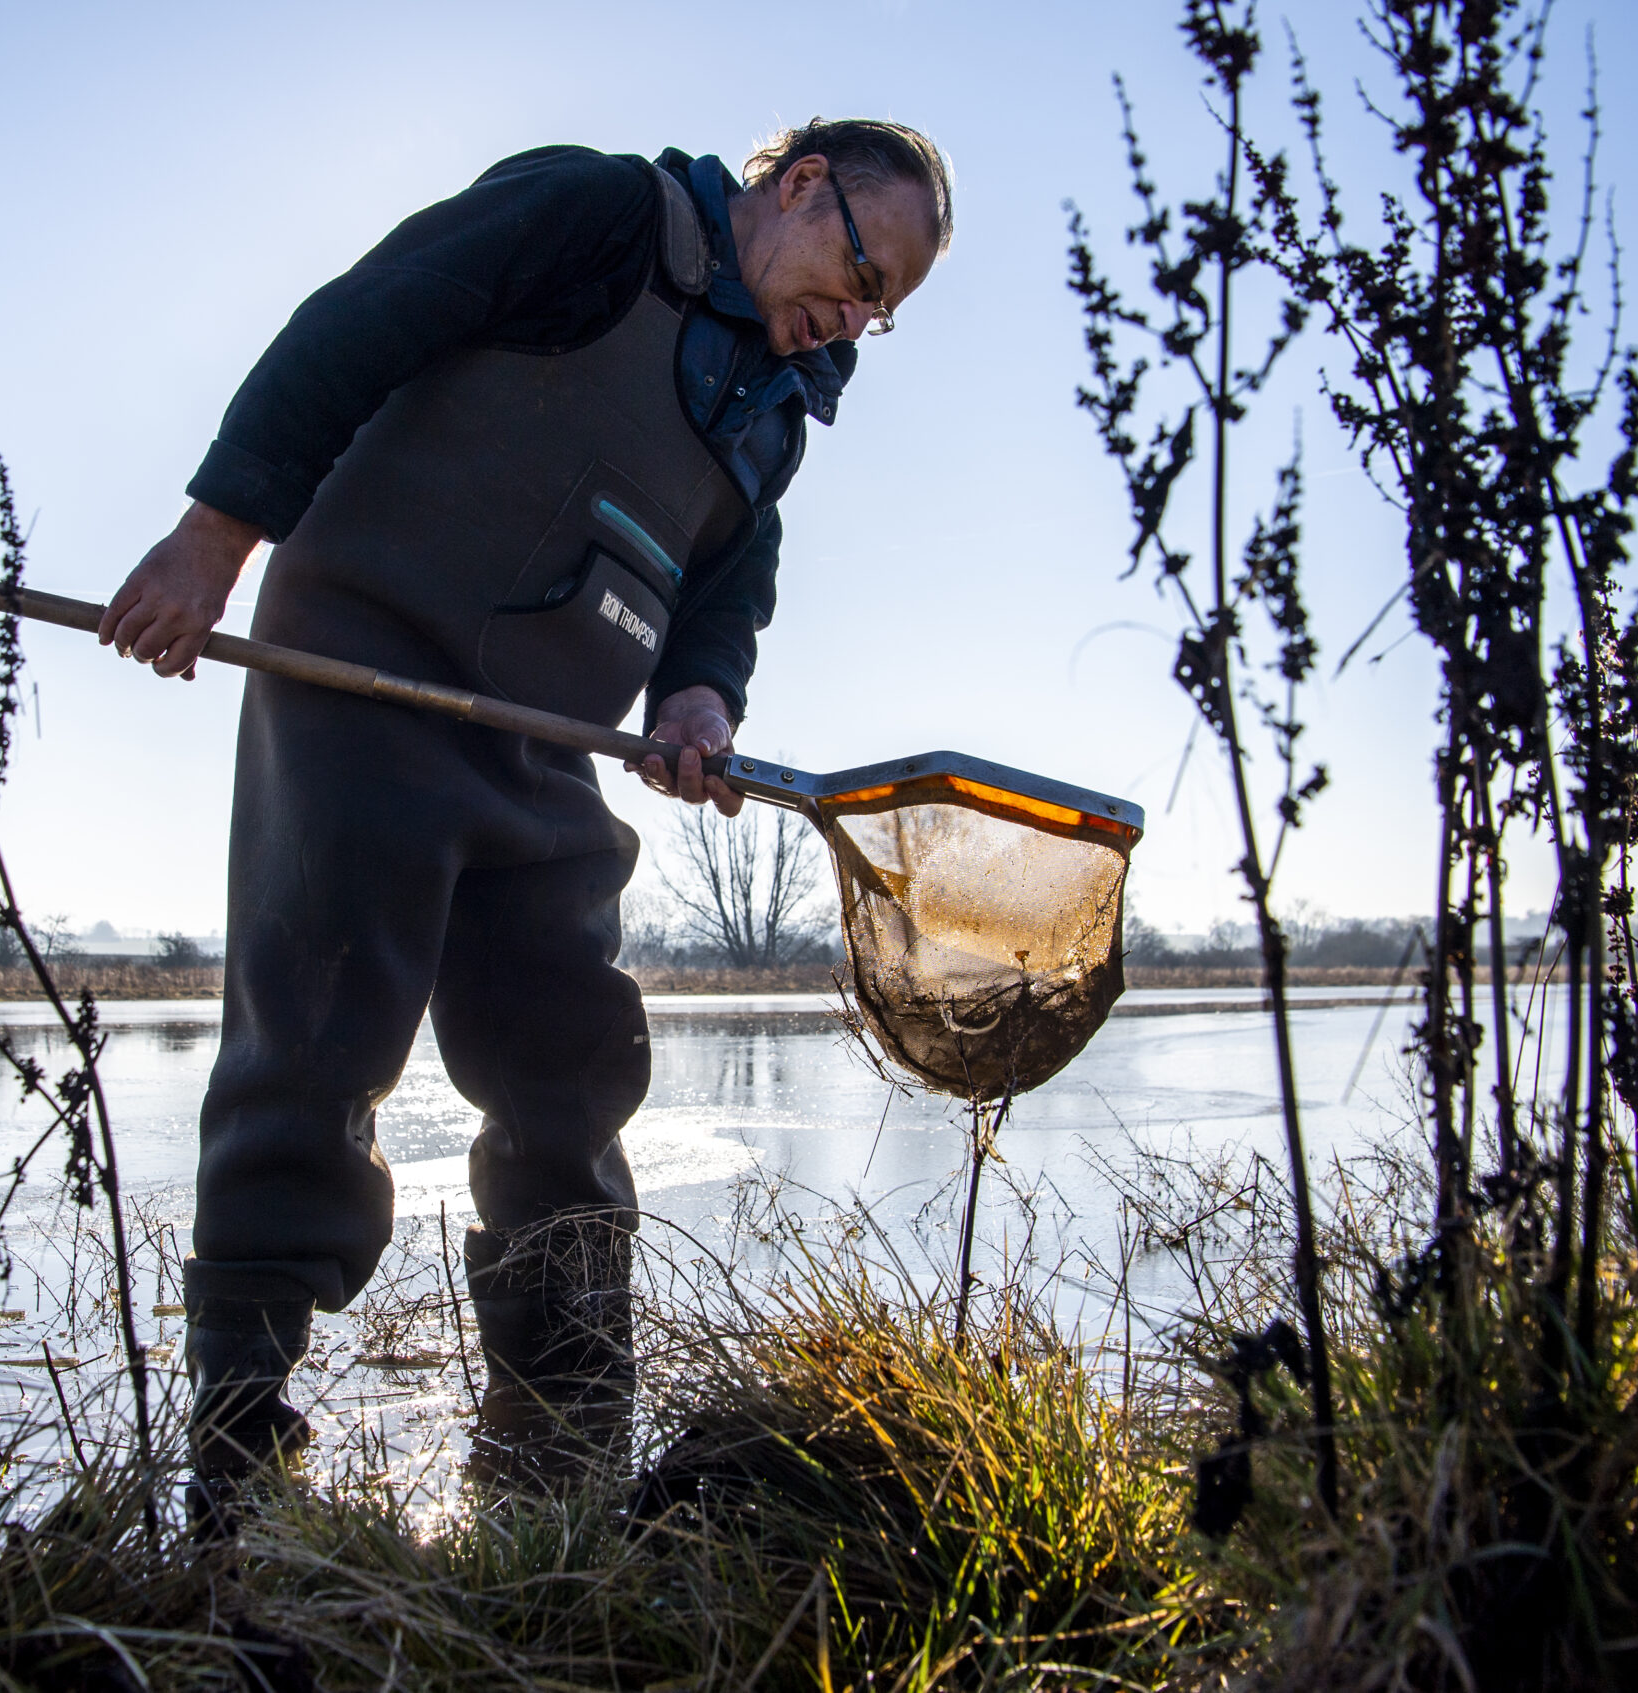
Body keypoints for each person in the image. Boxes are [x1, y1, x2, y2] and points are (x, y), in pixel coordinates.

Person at [97, 118, 951, 1501]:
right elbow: (352, 328)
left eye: (881, 311)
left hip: (547, 738)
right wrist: (212, 540)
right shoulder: (598, 219)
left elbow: (729, 583)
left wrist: (698, 702)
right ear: (801, 187)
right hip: (366, 665)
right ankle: (237, 1457)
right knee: (314, 1038)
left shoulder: (777, 403)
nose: (852, 319)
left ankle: (565, 1452)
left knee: (572, 1061)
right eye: (860, 272)